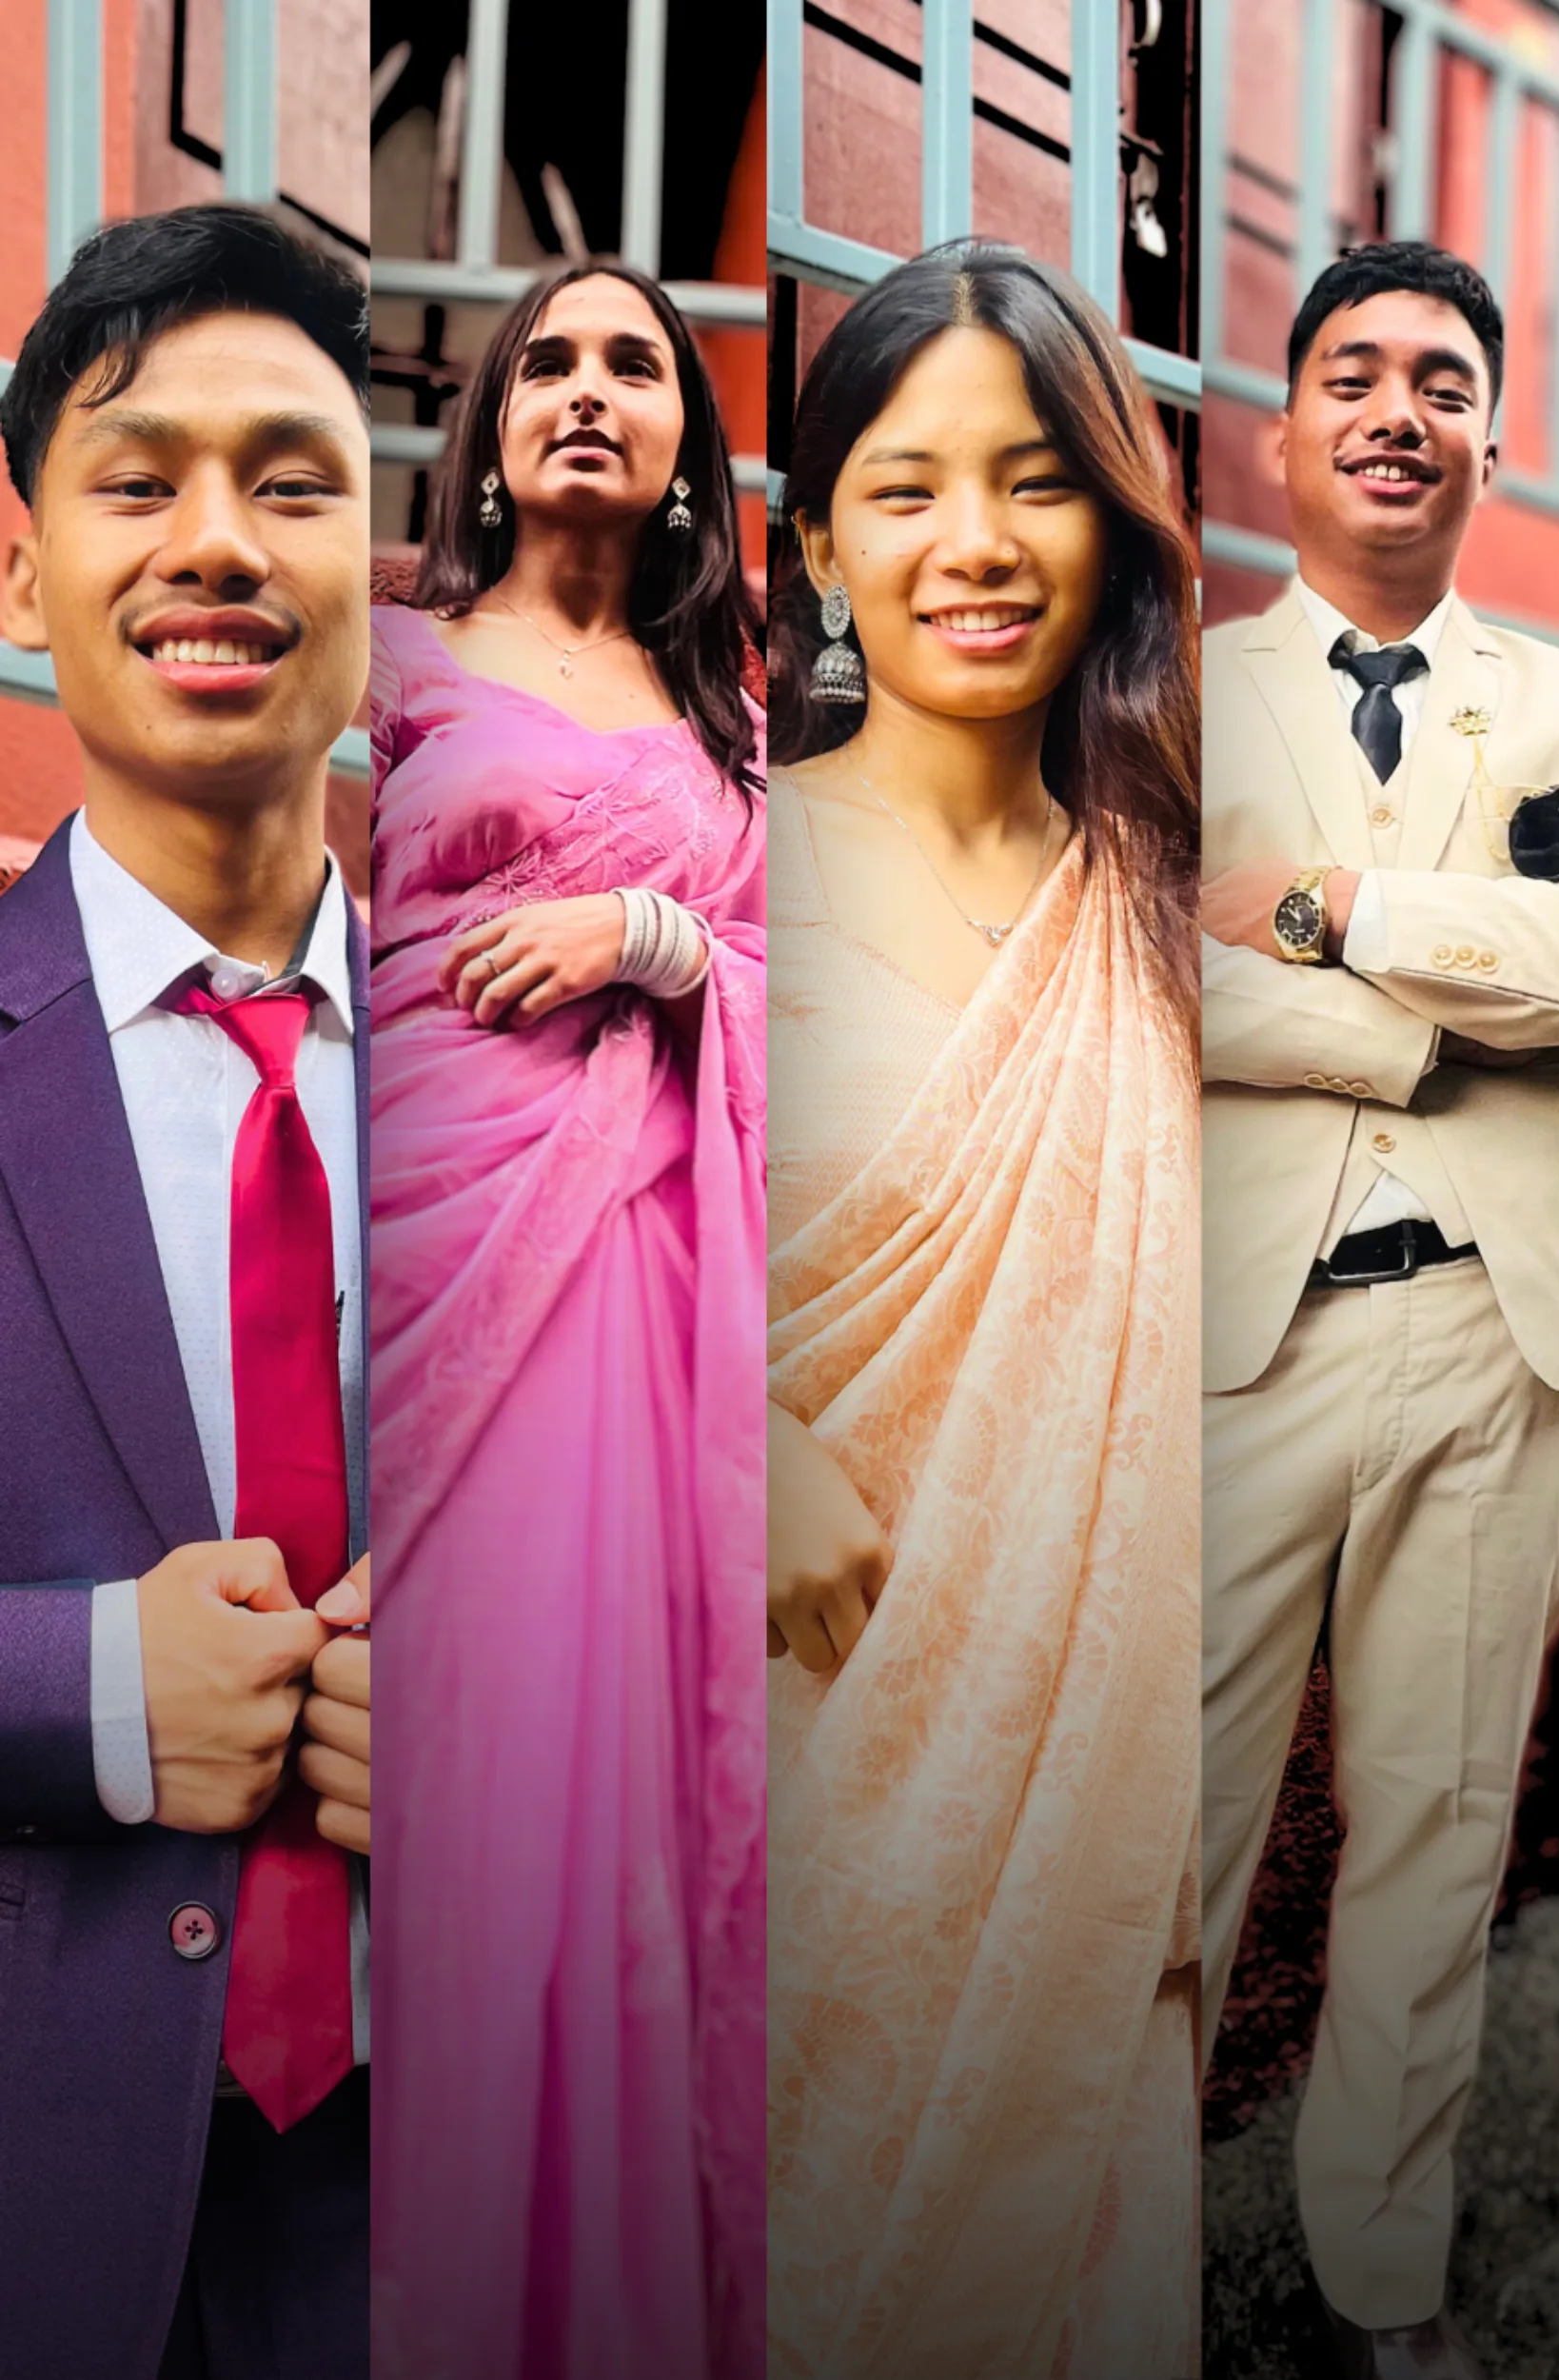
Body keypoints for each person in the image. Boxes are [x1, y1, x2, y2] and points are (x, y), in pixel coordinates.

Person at [764, 240, 1201, 2379]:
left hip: (1086, 1796)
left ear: (1107, 521)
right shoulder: (714, 874)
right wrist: (718, 1434)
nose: (975, 543)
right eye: (908, 485)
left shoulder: (1151, 909)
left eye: (1032, 480)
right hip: (783, 1763)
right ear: (819, 540)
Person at [366, 259, 766, 2379]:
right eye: (549, 360)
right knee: (441, 1787)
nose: (590, 390)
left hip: (647, 1280)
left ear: (689, 437)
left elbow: (817, 1003)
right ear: (492, 420)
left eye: (635, 361)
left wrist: (664, 939)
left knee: (604, 1800)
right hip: (421, 1263)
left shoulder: (739, 724)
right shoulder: (392, 653)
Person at [1199, 240, 1559, 2379]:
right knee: (1154, 1836)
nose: (1395, 409)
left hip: (1487, 1337)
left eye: (1441, 378)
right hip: (1226, 1342)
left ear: (1489, 436)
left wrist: (1338, 910)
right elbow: (1144, 967)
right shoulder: (1174, 689)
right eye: (1352, 372)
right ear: (1283, 430)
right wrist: (1403, 1039)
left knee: (1434, 1844)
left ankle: (1380, 2282)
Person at [0, 205, 372, 2378]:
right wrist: (102, 1691)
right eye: (139, 479)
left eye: (289, 479)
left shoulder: (545, 1064)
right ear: (28, 568)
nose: (216, 541)